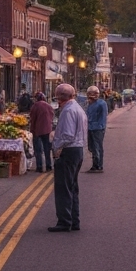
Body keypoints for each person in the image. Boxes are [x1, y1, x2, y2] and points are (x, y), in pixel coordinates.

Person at [49, 83, 87, 232]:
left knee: (63, 187)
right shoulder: (78, 108)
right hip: (78, 150)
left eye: (57, 97)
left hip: (68, 150)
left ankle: (64, 221)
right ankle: (74, 219)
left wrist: (56, 146)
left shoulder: (68, 111)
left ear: (60, 98)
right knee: (72, 186)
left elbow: (67, 134)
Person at [29, 91, 54, 173]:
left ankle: (39, 167)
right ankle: (48, 166)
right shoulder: (49, 106)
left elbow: (33, 119)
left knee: (38, 150)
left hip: (37, 130)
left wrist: (32, 130)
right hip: (47, 130)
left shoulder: (35, 106)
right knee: (47, 149)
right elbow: (52, 117)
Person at [84, 86, 108, 173]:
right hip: (90, 128)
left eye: (92, 93)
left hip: (98, 129)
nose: (90, 95)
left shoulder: (102, 103)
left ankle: (98, 165)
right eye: (89, 93)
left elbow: (103, 117)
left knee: (97, 147)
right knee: (92, 147)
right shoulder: (89, 104)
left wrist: (100, 127)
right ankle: (94, 164)